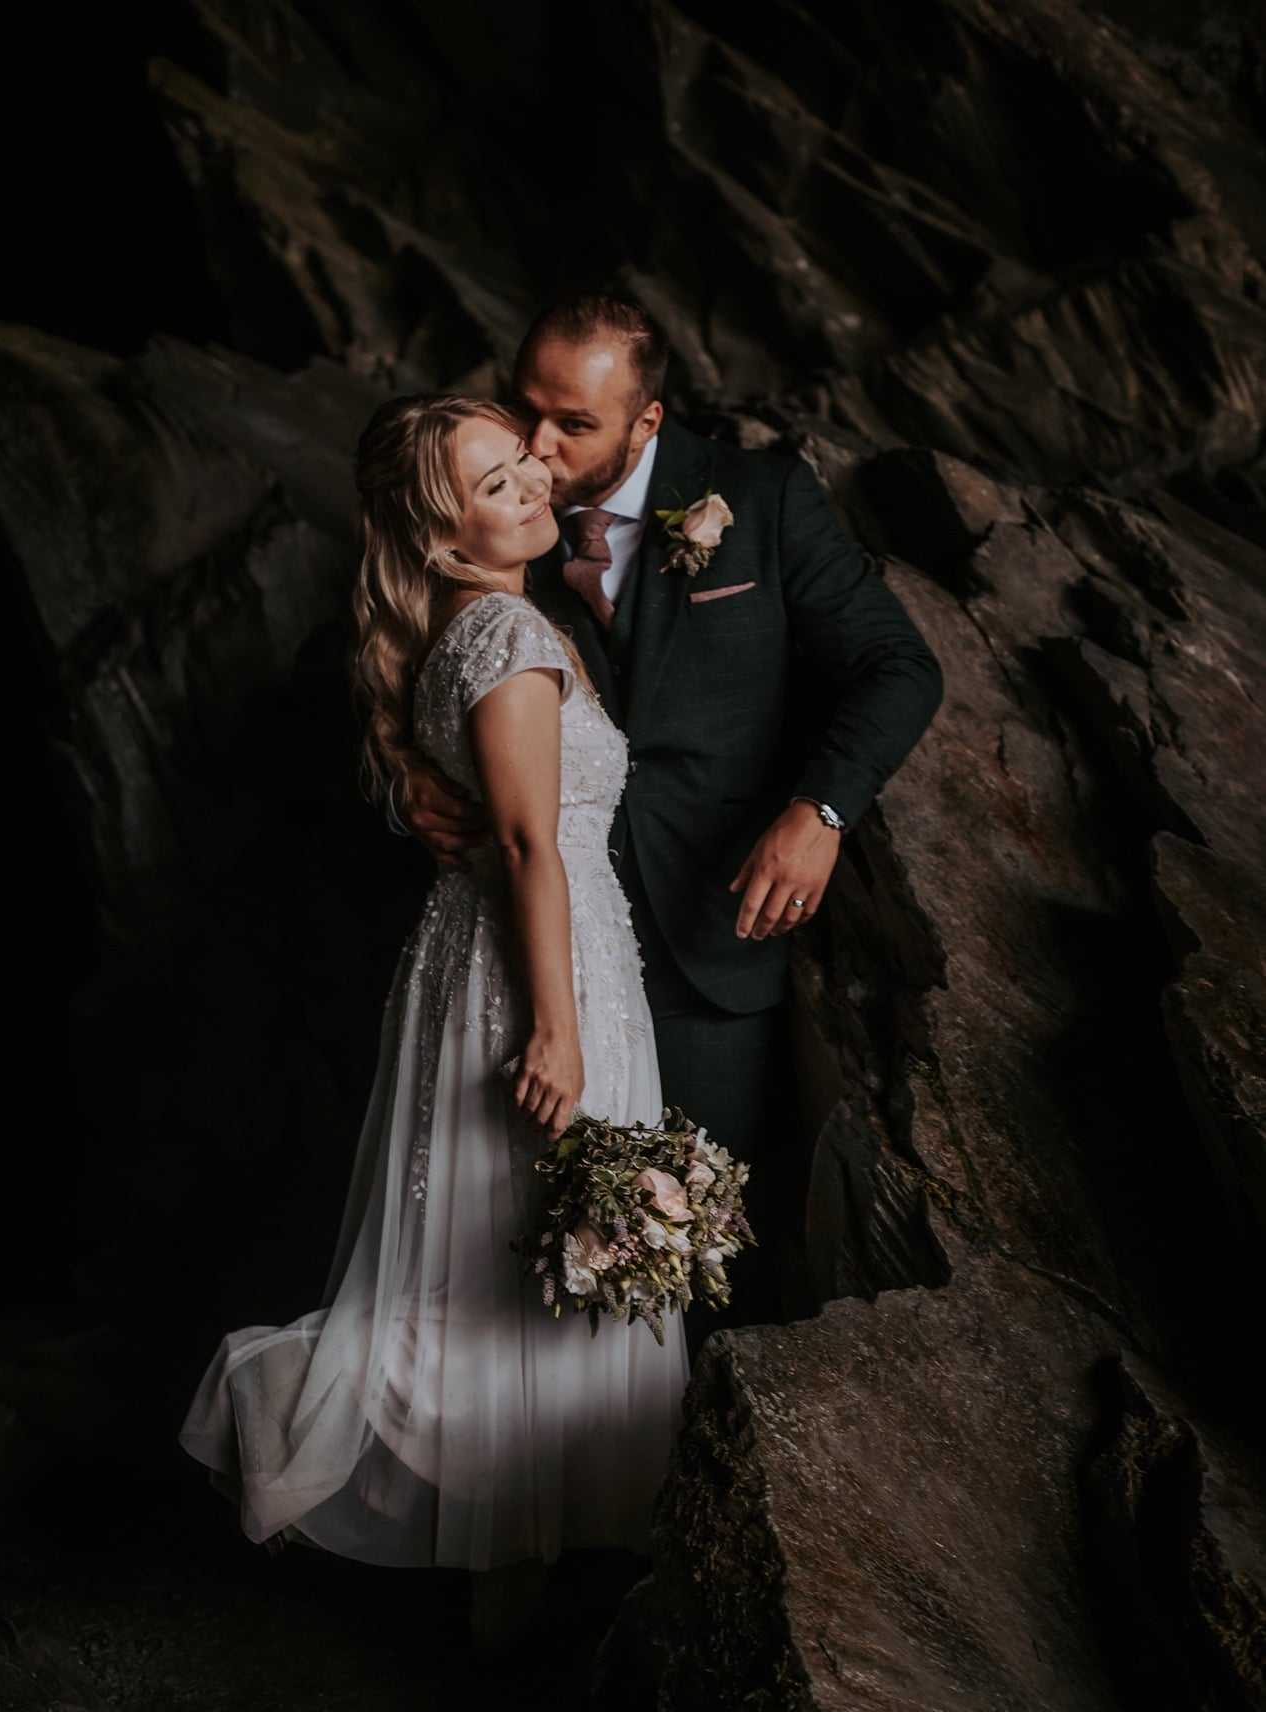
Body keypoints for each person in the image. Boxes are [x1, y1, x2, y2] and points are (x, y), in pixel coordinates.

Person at [178, 394, 688, 1648]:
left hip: (528, 946)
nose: (526, 485)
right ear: (437, 524)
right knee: (517, 1259)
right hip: (536, 965)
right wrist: (560, 1029)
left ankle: (513, 1570)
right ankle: (488, 1554)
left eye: (523, 464)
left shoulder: (482, 619)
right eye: (492, 481)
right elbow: (523, 837)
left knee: (506, 1252)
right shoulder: (502, 631)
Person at [402, 296, 944, 1339]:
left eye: (575, 424)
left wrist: (820, 807)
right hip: (531, 950)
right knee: (503, 1257)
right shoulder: (497, 506)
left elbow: (897, 665)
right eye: (526, 412)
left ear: (647, 423)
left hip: (711, 944)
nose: (540, 448)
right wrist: (401, 780)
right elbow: (406, 653)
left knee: (686, 1258)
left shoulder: (763, 499)